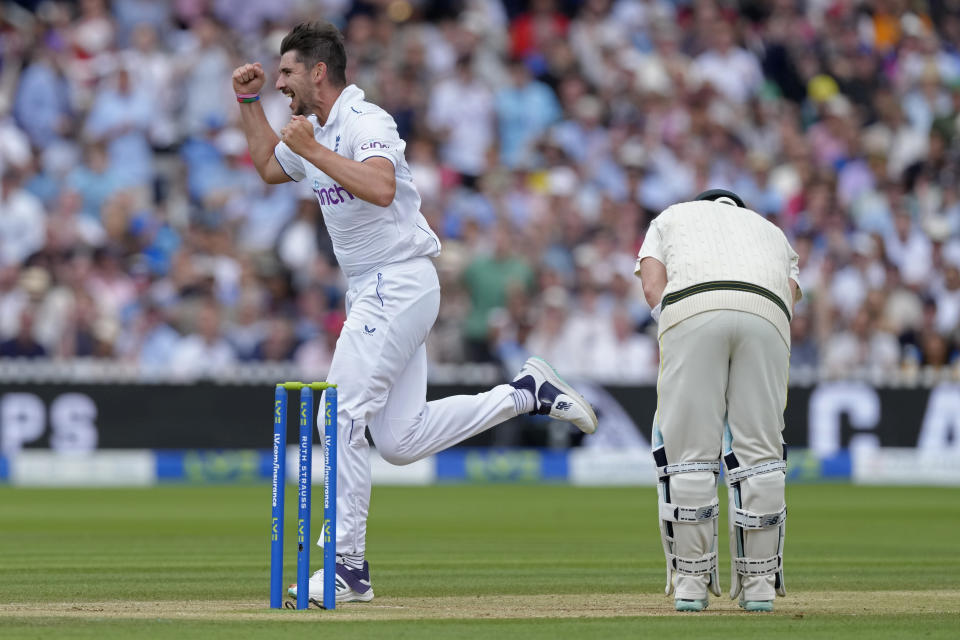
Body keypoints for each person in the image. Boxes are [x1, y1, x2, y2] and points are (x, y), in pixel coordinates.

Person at [231, 21, 597, 604]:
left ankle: (349, 567)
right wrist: (248, 103)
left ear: (318, 72)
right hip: (376, 288)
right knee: (400, 439)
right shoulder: (316, 130)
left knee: (338, 416)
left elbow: (378, 187)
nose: (280, 84)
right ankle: (526, 392)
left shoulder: (365, 121)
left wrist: (313, 150)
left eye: (286, 73)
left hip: (398, 282)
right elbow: (269, 168)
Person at [635, 189, 801, 613]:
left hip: (693, 307)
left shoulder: (672, 216)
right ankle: (759, 587)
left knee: (689, 451)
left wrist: (673, 322)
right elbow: (792, 291)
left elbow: (651, 279)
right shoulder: (772, 231)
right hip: (768, 314)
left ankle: (691, 584)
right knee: (760, 454)